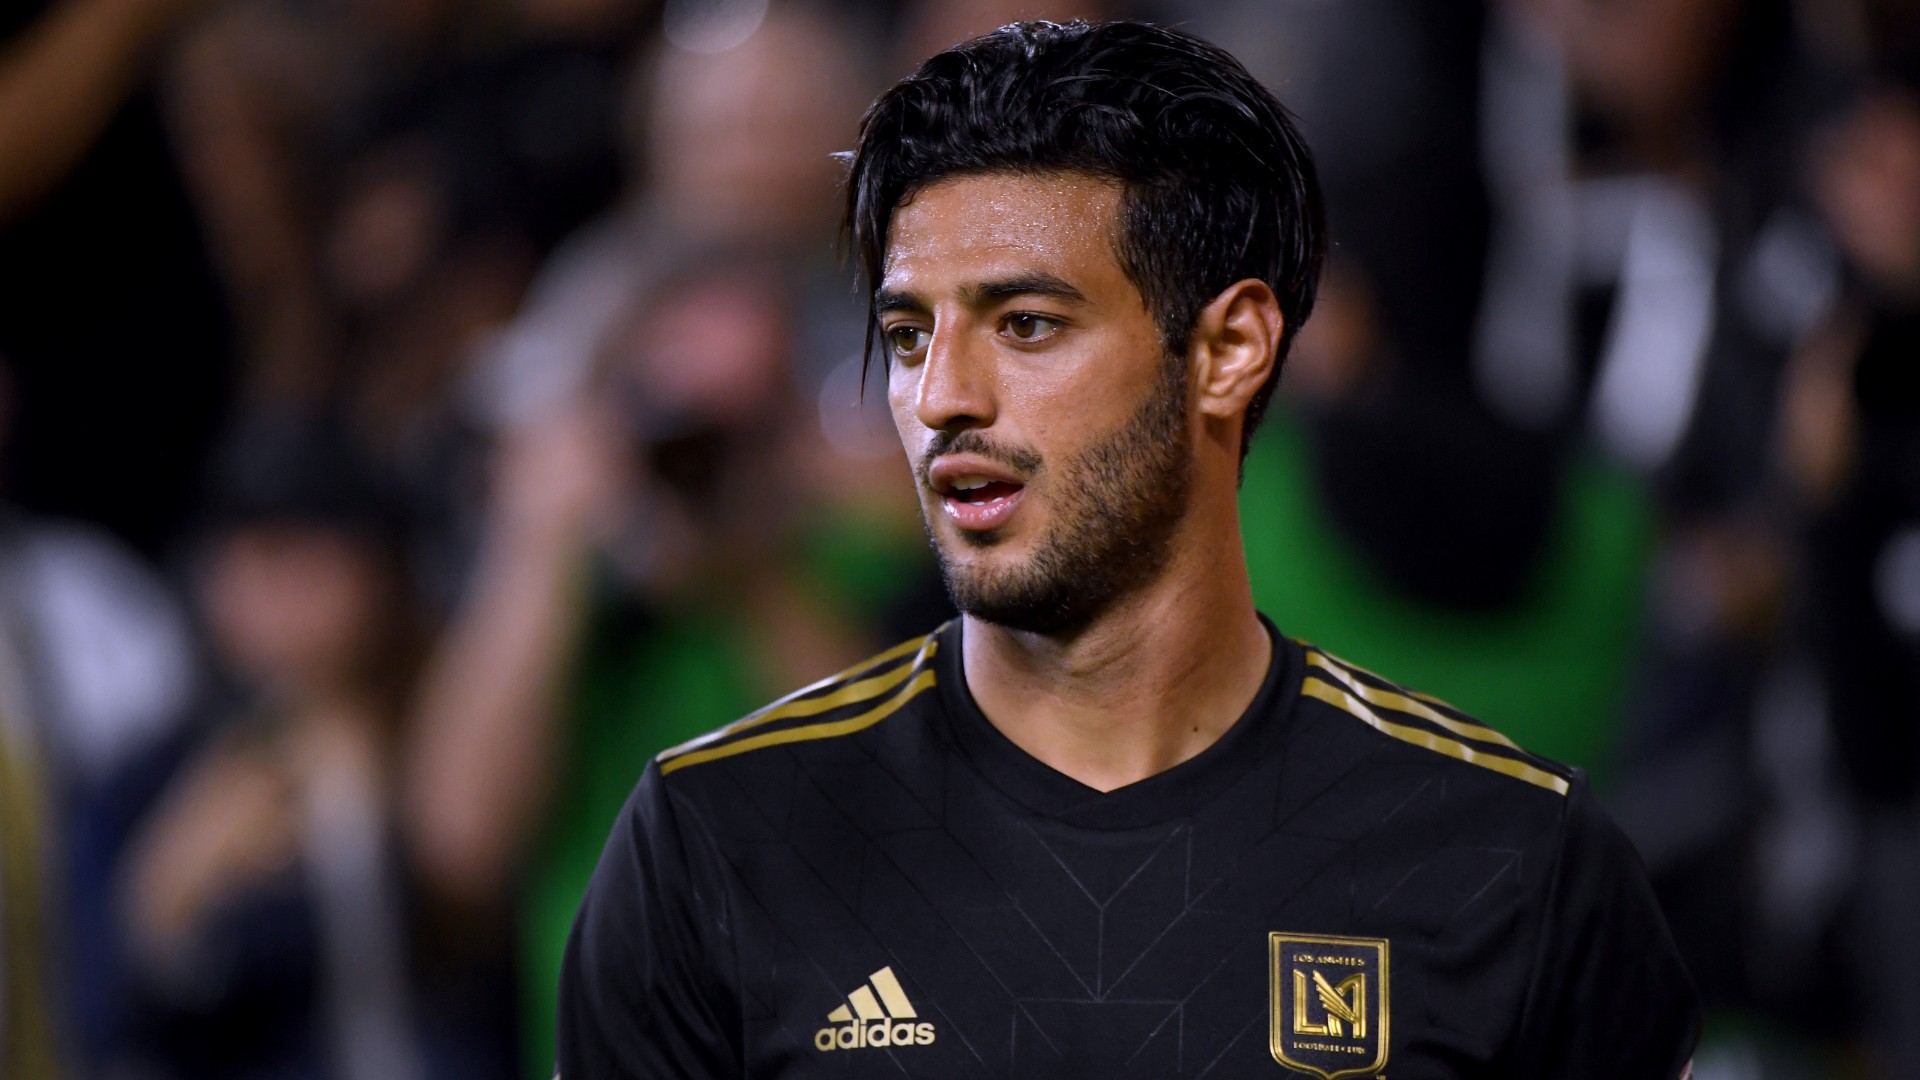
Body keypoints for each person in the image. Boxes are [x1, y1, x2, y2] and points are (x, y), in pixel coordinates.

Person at [558, 20, 1700, 1080]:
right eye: (910, 335)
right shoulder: (709, 845)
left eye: (1029, 324)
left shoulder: (1513, 863)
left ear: (1231, 350)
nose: (943, 397)